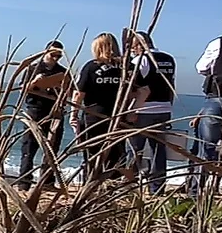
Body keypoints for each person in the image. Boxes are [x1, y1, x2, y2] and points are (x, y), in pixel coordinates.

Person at [70, 32, 150, 182]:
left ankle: (91, 188)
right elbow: (144, 91)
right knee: (117, 156)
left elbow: (78, 94)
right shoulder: (128, 66)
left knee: (93, 156)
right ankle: (112, 189)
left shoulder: (91, 67)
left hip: (94, 117)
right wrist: (132, 111)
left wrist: (73, 115)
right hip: (119, 117)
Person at [16, 40, 72, 191]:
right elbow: (23, 89)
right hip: (35, 109)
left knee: (52, 149)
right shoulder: (33, 69)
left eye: (59, 55)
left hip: (54, 110)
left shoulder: (62, 71)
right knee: (29, 147)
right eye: (53, 54)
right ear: (46, 52)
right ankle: (24, 182)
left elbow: (71, 91)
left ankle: (47, 182)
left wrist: (61, 89)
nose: (55, 58)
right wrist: (35, 82)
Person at [191, 7, 222, 197]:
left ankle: (196, 190)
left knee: (206, 147)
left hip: (218, 98)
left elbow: (201, 67)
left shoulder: (219, 43)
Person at [126, 31, 177, 195]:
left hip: (144, 108)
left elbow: (136, 87)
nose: (133, 50)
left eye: (133, 47)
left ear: (138, 45)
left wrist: (130, 110)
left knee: (134, 148)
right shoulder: (168, 59)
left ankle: (129, 185)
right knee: (158, 149)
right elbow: (171, 85)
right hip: (163, 108)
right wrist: (170, 106)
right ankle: (157, 188)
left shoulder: (141, 60)